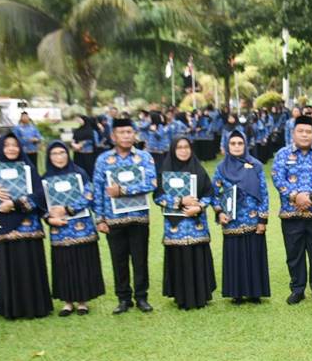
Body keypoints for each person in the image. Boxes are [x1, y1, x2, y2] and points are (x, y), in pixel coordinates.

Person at [92, 118, 157, 314]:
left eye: (130, 132)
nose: (127, 136)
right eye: (122, 132)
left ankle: (141, 297)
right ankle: (123, 298)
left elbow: (152, 183)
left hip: (138, 217)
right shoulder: (104, 160)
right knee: (118, 259)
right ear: (113, 136)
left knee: (140, 259)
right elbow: (98, 189)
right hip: (113, 218)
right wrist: (100, 218)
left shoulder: (144, 157)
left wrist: (124, 190)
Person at [0, 133, 51, 319]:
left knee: (30, 264)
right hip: (3, 225)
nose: (11, 149)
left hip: (28, 226)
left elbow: (40, 195)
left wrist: (15, 204)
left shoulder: (28, 169)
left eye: (15, 145)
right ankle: (11, 309)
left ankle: (36, 307)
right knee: (9, 266)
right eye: (7, 145)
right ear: (0, 148)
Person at [272, 115, 312, 305]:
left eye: (309, 131)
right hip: (291, 213)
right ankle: (297, 289)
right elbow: (277, 178)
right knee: (294, 253)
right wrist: (295, 196)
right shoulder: (283, 154)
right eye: (301, 131)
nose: (305, 135)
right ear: (293, 134)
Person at [42, 141, 105, 316]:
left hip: (81, 227)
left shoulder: (79, 173)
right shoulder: (45, 178)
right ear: (49, 157)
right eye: (54, 153)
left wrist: (67, 209)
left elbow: (89, 194)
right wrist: (49, 218)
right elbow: (40, 204)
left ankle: (83, 301)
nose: (59, 157)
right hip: (59, 230)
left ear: (67, 154)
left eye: (62, 153)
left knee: (82, 261)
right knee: (64, 262)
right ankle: (67, 302)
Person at [155, 137, 216, 309]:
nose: (183, 150)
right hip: (176, 227)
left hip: (197, 225)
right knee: (179, 258)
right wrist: (180, 201)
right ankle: (182, 297)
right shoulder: (165, 171)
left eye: (186, 147)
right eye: (179, 147)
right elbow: (158, 197)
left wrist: (199, 207)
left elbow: (209, 194)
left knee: (197, 257)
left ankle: (201, 296)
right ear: (173, 150)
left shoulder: (199, 170)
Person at [213, 131, 270, 304]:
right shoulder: (221, 168)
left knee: (254, 254)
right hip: (231, 221)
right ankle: (236, 292)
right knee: (235, 255)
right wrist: (219, 212)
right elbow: (214, 194)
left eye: (240, 143)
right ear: (227, 146)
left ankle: (255, 292)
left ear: (245, 145)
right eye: (233, 143)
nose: (237, 146)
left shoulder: (256, 165)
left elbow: (264, 194)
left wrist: (262, 220)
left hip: (253, 219)